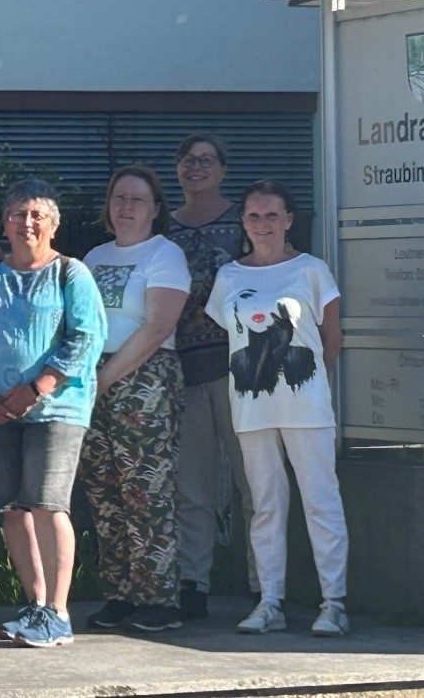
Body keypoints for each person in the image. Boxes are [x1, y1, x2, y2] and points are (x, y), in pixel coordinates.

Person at [0, 180, 107, 649]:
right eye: (18, 213)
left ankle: (58, 612)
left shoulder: (71, 274)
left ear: (54, 224)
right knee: (12, 508)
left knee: (47, 502)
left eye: (38, 214)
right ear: (5, 222)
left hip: (56, 408)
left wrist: (38, 388)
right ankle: (36, 605)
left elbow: (86, 338)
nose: (28, 223)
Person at [205, 180, 349, 637]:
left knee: (321, 501)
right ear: (243, 222)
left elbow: (331, 338)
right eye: (253, 215)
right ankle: (270, 602)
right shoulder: (229, 276)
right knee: (265, 505)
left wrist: (308, 384)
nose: (262, 224)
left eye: (271, 215)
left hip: (306, 407)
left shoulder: (312, 270)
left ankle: (334, 604)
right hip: (251, 409)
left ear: (288, 219)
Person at [82, 166, 190, 633]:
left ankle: (159, 600)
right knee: (104, 491)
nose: (126, 207)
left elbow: (158, 326)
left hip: (144, 377)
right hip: (94, 377)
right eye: (119, 198)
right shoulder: (94, 256)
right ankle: (119, 594)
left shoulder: (165, 254)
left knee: (146, 491)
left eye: (138, 200)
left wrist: (106, 379)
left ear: (156, 209)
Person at [167, 134, 257, 620]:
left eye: (205, 160)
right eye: (187, 160)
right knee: (192, 486)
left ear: (223, 169)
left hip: (241, 373)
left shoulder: (246, 222)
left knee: (253, 482)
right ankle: (192, 584)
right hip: (182, 370)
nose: (195, 167)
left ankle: (265, 585)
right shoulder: (163, 229)